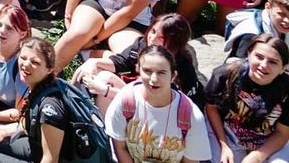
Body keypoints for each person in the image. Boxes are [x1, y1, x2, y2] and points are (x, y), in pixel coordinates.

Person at [0, 36, 109, 163]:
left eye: (35, 62)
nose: (26, 65)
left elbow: (50, 159)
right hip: (35, 145)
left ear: (50, 69)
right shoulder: (38, 86)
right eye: (22, 58)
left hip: (52, 158)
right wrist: (1, 131)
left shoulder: (50, 107)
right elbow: (27, 125)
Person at [104, 46, 210, 163]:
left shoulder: (191, 116)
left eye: (161, 72)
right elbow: (120, 148)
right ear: (138, 69)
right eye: (147, 71)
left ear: (173, 76)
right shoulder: (125, 101)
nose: (154, 79)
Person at [74, 15, 205, 110]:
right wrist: (94, 63)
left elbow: (155, 104)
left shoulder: (180, 68)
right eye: (153, 31)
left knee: (104, 80)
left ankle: (106, 137)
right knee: (96, 70)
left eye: (161, 38)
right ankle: (69, 100)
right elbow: (121, 61)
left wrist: (106, 91)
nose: (152, 39)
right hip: (137, 94)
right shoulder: (142, 44)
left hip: (162, 115)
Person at [203, 36, 289, 163]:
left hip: (269, 139)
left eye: (273, 62)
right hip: (229, 133)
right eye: (259, 57)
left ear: (284, 68)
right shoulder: (225, 75)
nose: (263, 65)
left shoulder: (286, 90)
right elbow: (211, 108)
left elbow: (282, 133)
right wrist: (224, 146)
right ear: (248, 54)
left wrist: (258, 156)